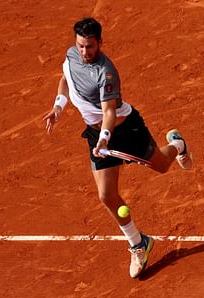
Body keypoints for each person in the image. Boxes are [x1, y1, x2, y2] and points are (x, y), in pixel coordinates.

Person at [42, 17, 192, 278]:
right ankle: (138, 243)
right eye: (80, 46)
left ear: (100, 43)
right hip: (95, 133)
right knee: (107, 196)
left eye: (89, 47)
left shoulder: (106, 72)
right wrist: (58, 106)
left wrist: (105, 137)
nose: (84, 52)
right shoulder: (71, 56)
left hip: (125, 129)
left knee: (161, 166)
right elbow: (65, 79)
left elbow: (109, 111)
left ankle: (177, 144)